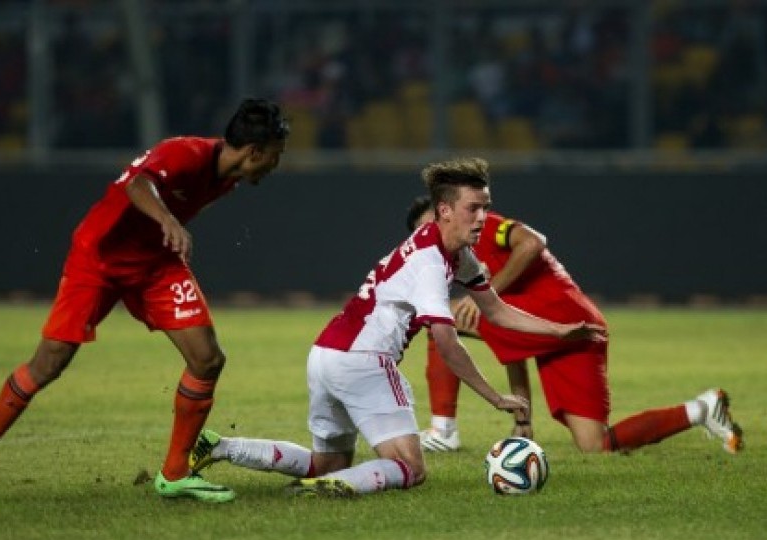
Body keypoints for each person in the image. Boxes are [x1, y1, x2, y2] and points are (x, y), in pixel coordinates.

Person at [187, 157, 606, 498]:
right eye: (473, 208)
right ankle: (330, 490)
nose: (483, 217)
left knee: (326, 459)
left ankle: (221, 447)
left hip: (326, 355)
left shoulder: (455, 255)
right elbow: (446, 341)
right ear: (444, 210)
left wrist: (558, 332)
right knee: (410, 467)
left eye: (486, 206)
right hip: (364, 360)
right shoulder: (428, 263)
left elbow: (494, 310)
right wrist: (493, 396)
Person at [0, 98, 290, 505]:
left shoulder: (228, 179)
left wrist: (166, 233)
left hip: (154, 264)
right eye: (275, 155)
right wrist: (168, 220)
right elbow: (138, 184)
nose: (276, 164)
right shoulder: (186, 153)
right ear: (255, 151)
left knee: (207, 358)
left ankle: (174, 473)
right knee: (49, 363)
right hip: (99, 258)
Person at [406, 196, 744, 455]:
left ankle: (443, 430)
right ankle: (701, 409)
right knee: (595, 444)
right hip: (568, 332)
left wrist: (489, 293)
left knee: (441, 320)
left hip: (566, 317)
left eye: (435, 224)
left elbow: (534, 241)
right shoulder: (457, 261)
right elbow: (511, 343)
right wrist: (523, 423)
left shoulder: (484, 227)